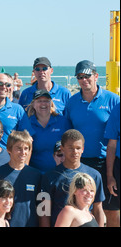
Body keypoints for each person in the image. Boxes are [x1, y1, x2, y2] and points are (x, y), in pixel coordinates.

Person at [64, 60, 120, 226]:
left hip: (105, 162)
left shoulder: (113, 100)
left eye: (87, 75)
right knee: (79, 207)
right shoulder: (72, 102)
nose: (83, 80)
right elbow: (67, 134)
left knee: (110, 208)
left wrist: (110, 175)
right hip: (78, 162)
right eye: (80, 77)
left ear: (96, 76)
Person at [40, 129, 105, 227]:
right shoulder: (49, 176)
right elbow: (43, 212)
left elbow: (98, 209)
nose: (75, 152)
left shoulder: (94, 175)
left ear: (83, 149)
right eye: (70, 148)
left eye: (78, 148)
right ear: (62, 148)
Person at [0, 131, 42, 227]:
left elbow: (41, 207)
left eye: (26, 148)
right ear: (9, 149)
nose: (23, 152)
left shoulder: (36, 175)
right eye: (19, 148)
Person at [27, 89, 71, 173]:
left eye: (46, 101)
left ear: (51, 103)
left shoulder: (63, 121)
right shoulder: (27, 123)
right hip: (35, 174)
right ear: (33, 104)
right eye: (39, 101)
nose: (43, 103)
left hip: (60, 173)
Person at [104, 102, 120, 227]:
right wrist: (110, 175)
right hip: (118, 166)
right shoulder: (118, 108)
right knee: (112, 211)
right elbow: (112, 144)